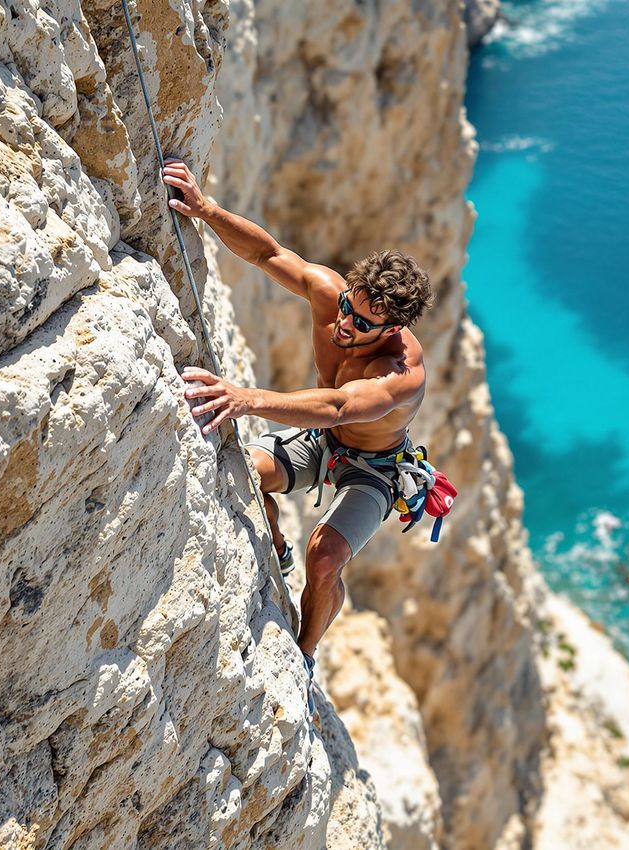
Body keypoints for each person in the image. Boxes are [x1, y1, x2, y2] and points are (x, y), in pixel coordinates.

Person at [161, 159, 432, 671]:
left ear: (392, 330)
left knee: (326, 557)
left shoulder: (401, 374)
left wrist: (247, 398)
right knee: (245, 473)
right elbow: (267, 253)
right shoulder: (334, 297)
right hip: (324, 443)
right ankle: (277, 546)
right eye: (349, 307)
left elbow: (339, 406)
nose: (345, 324)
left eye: (364, 323)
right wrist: (206, 210)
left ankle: (305, 654)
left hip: (373, 467)